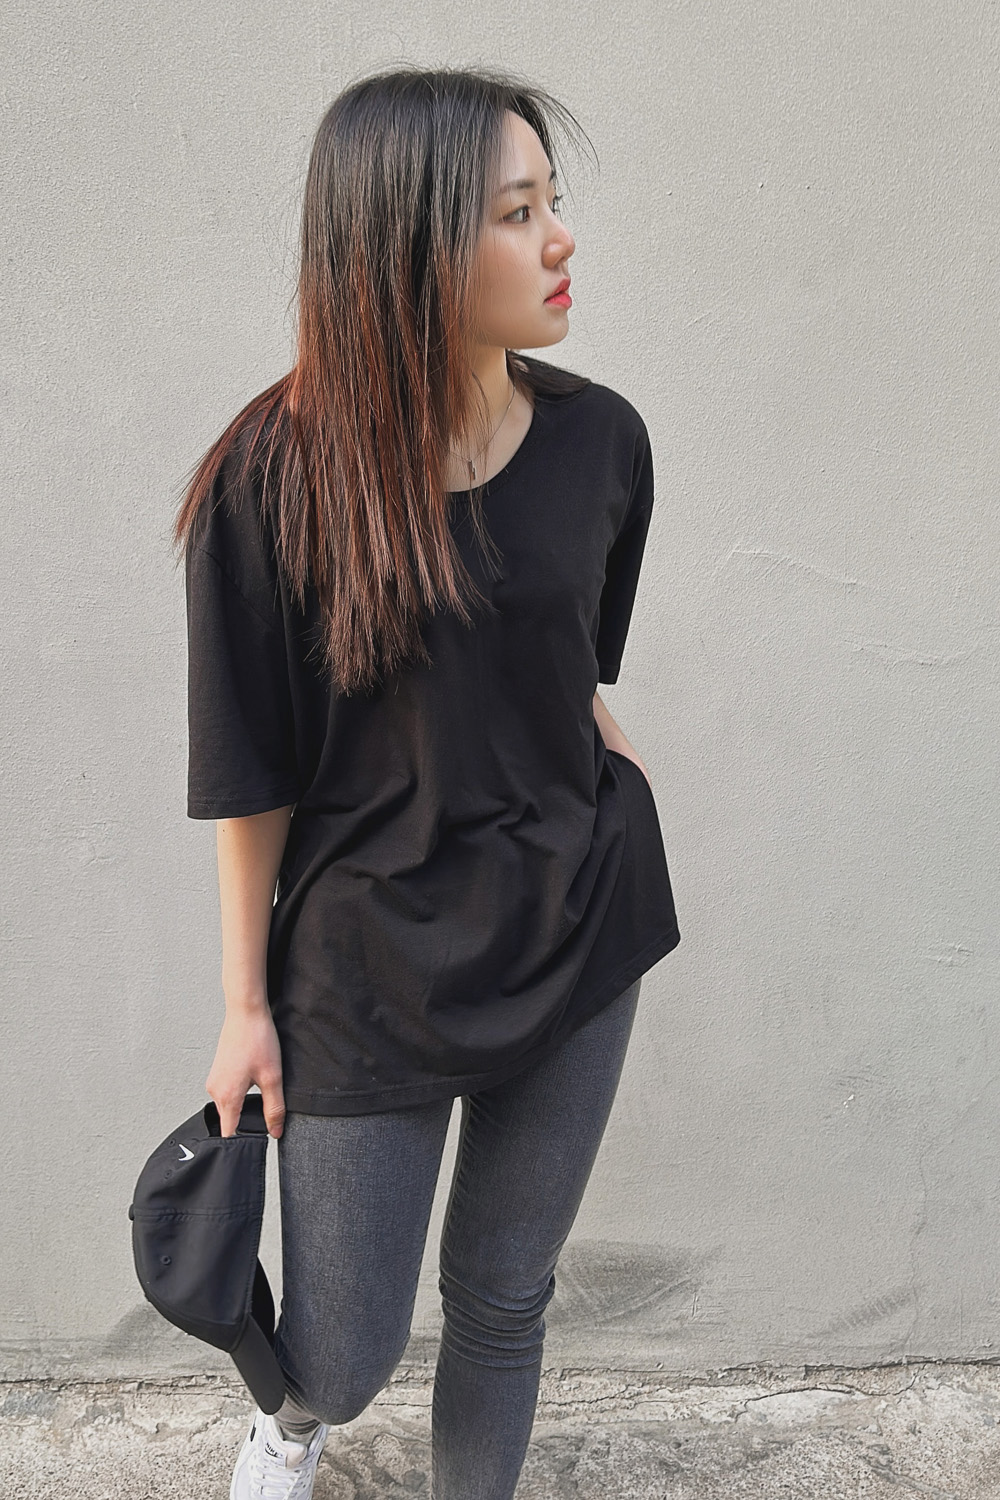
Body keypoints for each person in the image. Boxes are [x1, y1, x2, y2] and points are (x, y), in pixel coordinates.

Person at [173, 64, 680, 1500]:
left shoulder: (604, 440)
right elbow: (250, 772)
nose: (562, 239)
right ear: (407, 245)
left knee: (506, 1297)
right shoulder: (269, 479)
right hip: (369, 960)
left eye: (553, 203)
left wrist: (600, 763)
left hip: (574, 919)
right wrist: (245, 1009)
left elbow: (563, 656)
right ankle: (293, 1424)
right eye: (518, 213)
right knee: (342, 1351)